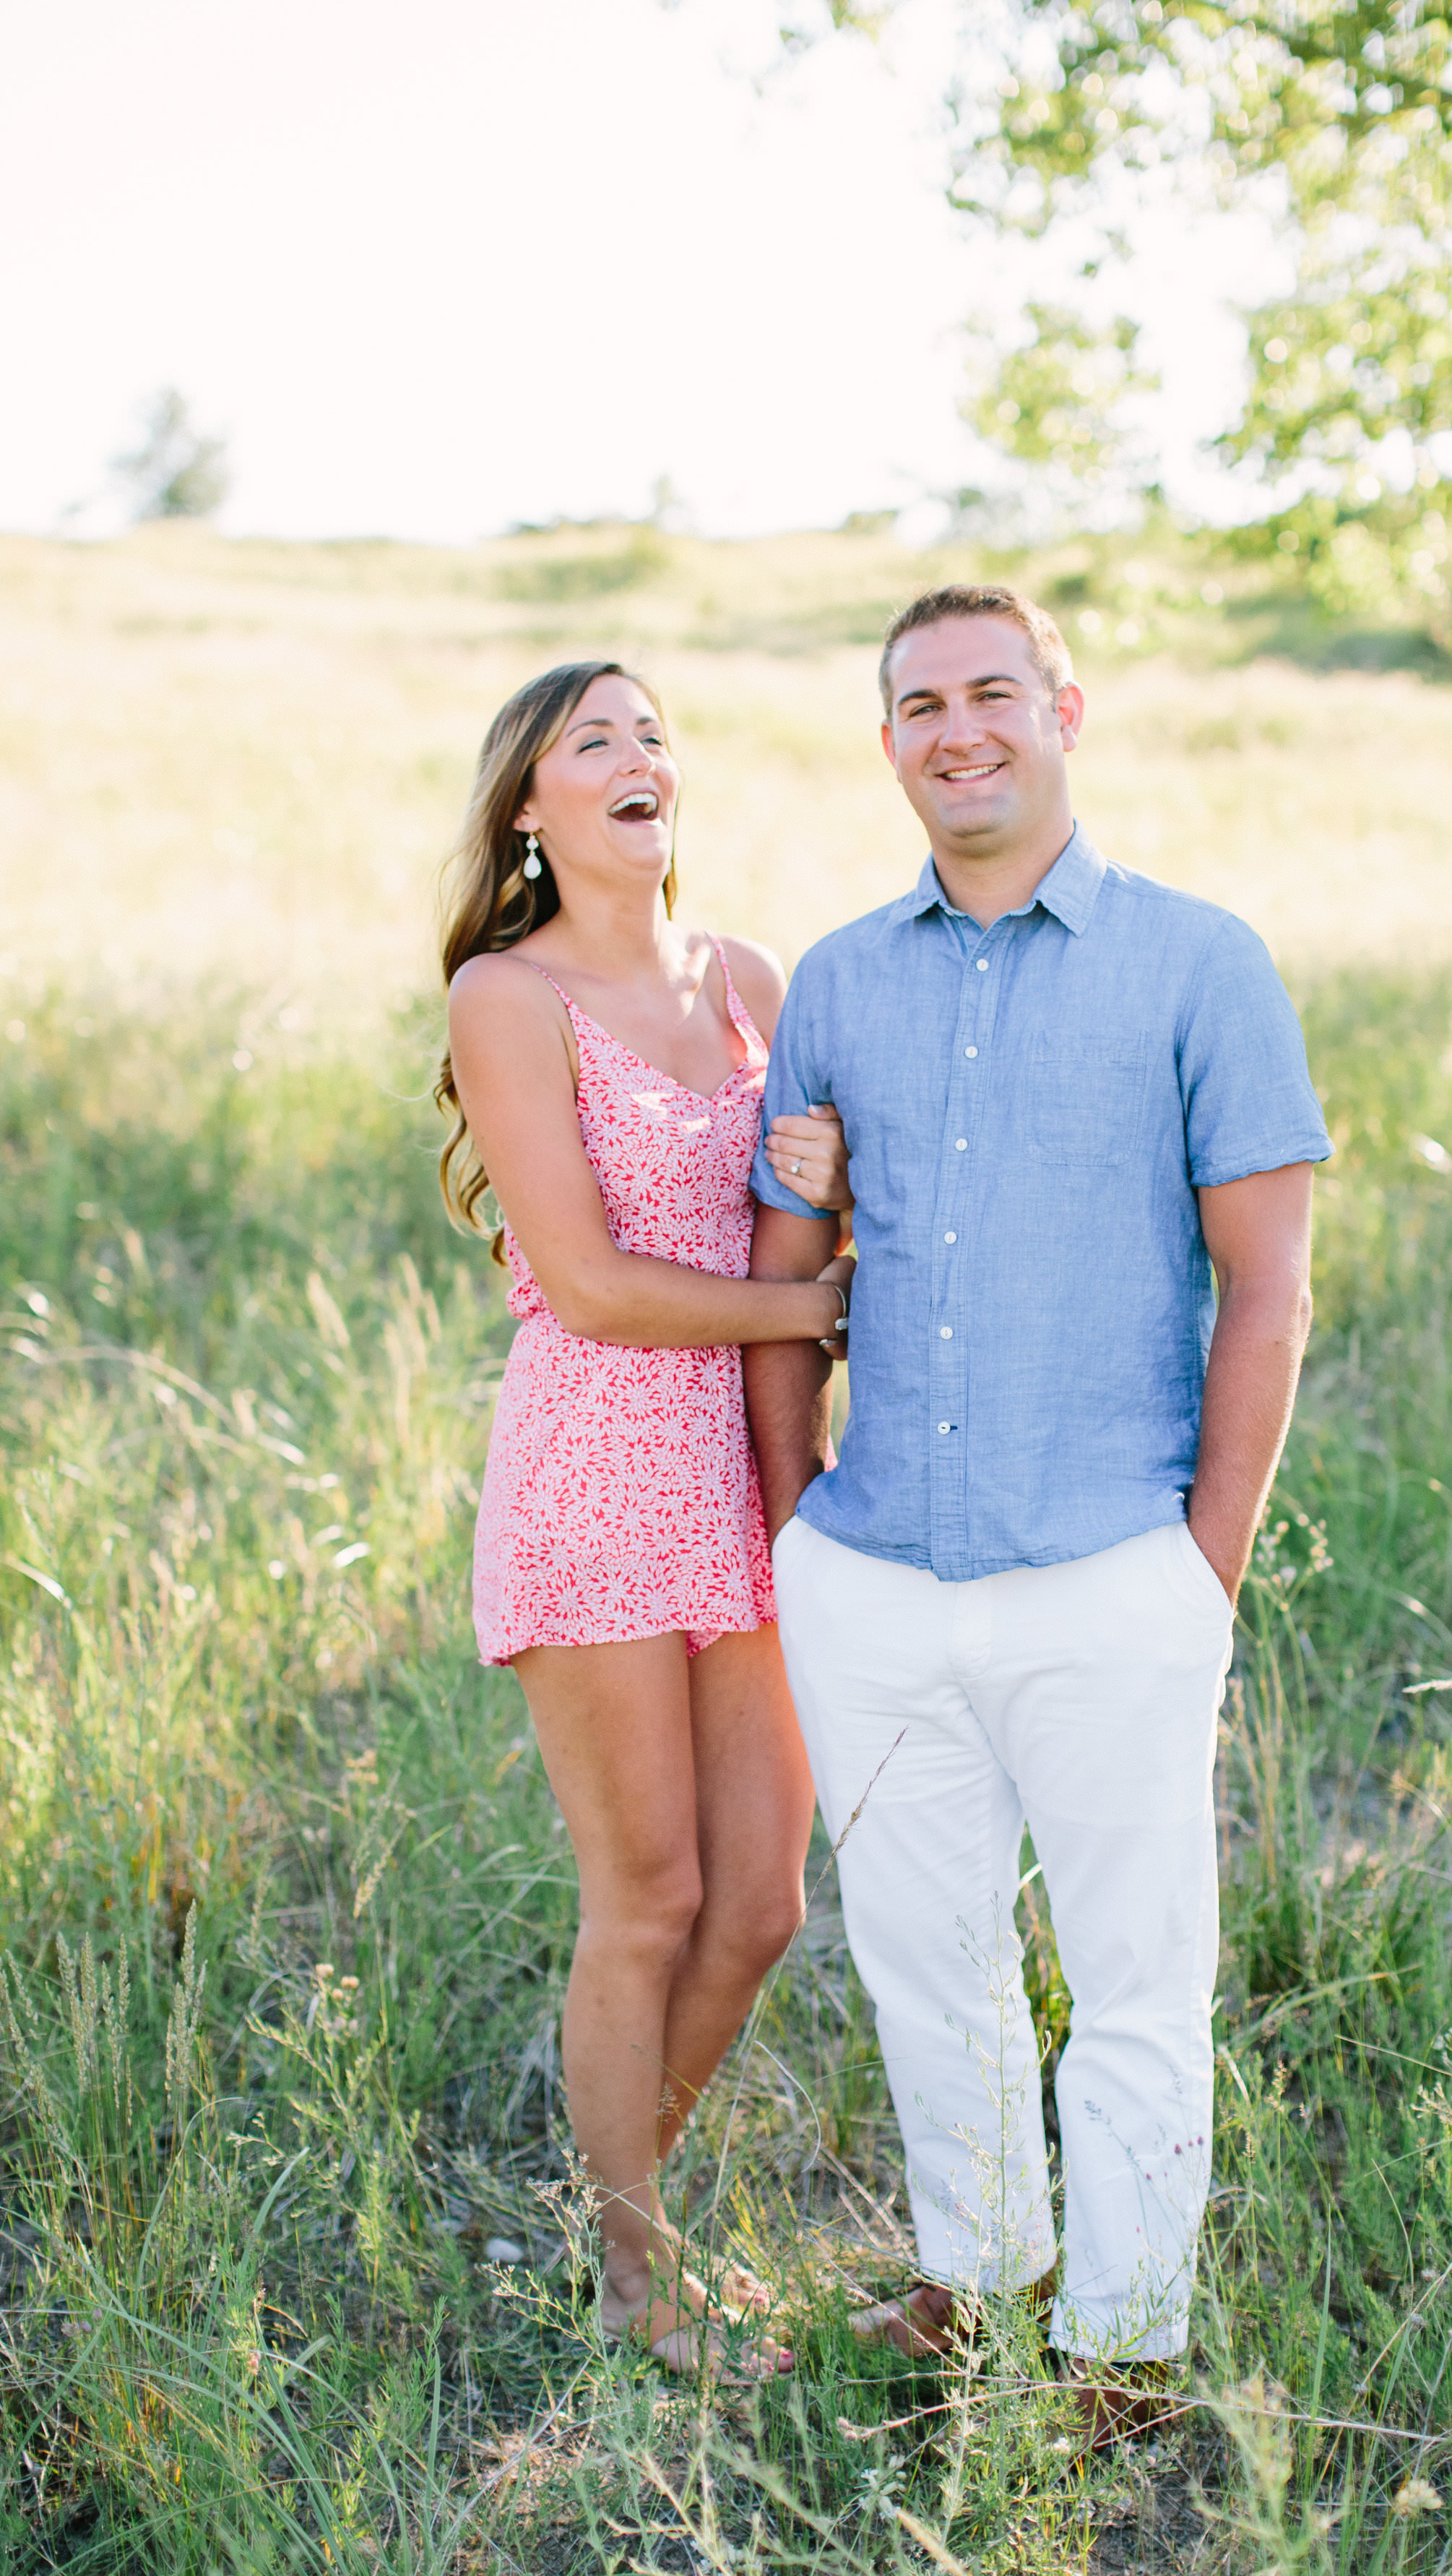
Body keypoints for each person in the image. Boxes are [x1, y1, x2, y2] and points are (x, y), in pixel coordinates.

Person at [743, 584, 1331, 2437]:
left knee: (1139, 1970)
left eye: (993, 690)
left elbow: (1271, 1289)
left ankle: (1130, 2347)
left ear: (1064, 707)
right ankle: (981, 2279)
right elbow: (793, 1268)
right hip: (877, 1567)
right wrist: (794, 1532)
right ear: (891, 738)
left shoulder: (1202, 961)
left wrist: (1199, 1569)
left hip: (1111, 1568)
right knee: (928, 1961)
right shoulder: (839, 978)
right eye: (918, 703)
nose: (957, 729)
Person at [437, 658, 855, 2382]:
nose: (636, 758)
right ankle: (637, 2280)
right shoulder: (505, 994)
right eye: (587, 741)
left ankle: (619, 2225)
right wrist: (820, 1307)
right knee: (650, 1896)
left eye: (652, 734)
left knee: (760, 1903)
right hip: (601, 1464)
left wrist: (826, 1282)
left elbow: (819, 1219)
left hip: (755, 1471)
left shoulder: (752, 978)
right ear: (529, 811)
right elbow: (596, 1287)